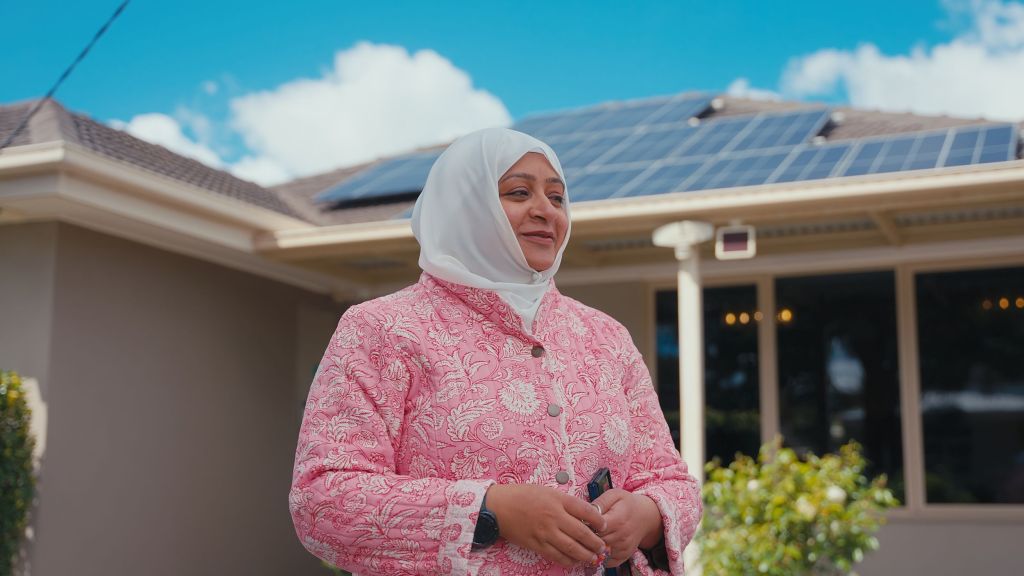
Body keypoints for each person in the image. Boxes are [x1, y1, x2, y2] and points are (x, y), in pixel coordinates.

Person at [289, 127, 702, 575]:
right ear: (465, 204)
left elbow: (671, 481)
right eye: (519, 192)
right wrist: (490, 510)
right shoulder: (383, 330)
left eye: (558, 197)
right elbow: (323, 499)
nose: (546, 210)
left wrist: (646, 515)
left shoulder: (606, 337)